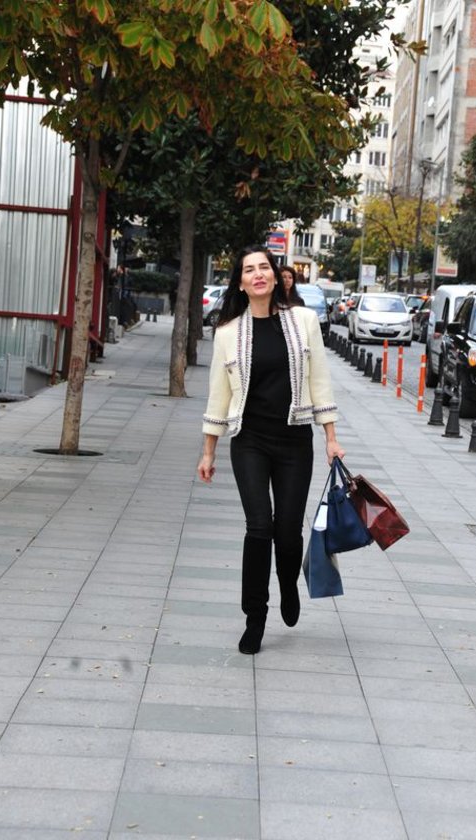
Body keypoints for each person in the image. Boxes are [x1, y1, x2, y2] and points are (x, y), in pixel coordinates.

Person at [197, 246, 345, 655]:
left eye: (264, 267)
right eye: (249, 270)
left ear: (276, 276)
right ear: (241, 283)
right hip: (250, 441)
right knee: (259, 527)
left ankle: (288, 582)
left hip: (295, 440)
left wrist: (331, 437)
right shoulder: (228, 333)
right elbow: (218, 395)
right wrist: (208, 451)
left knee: (288, 530)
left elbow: (319, 381)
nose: (258, 274)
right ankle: (255, 618)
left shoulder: (304, 321)